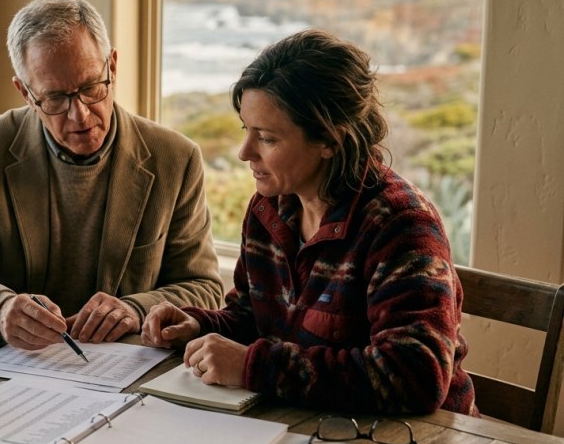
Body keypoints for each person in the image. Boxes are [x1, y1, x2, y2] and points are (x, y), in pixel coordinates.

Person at [141, 29, 478, 416]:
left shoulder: (402, 225)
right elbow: (254, 318)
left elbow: (417, 376)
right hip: (311, 425)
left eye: (266, 138)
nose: (244, 152)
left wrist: (254, 366)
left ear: (330, 140)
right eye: (245, 131)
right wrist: (199, 325)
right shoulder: (268, 210)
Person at [0, 0, 223, 352]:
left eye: (91, 87)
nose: (80, 115)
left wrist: (136, 309)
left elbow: (203, 286)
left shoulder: (176, 158)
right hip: (14, 367)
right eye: (56, 98)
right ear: (26, 93)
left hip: (127, 372)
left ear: (112, 66)